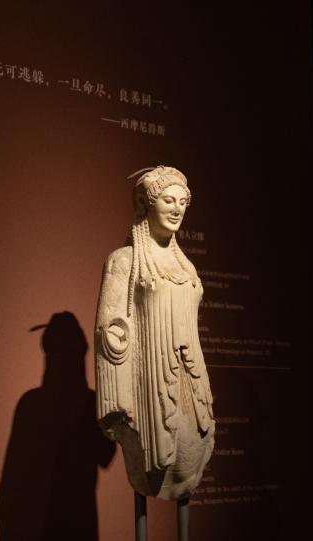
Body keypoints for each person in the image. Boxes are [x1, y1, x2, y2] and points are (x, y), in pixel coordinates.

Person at [94, 166, 215, 501]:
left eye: (182, 202)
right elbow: (110, 330)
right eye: (168, 200)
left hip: (191, 379)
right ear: (145, 203)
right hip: (150, 382)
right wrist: (120, 400)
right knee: (160, 462)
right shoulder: (124, 261)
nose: (177, 209)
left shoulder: (186, 266)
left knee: (191, 457)